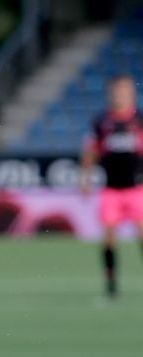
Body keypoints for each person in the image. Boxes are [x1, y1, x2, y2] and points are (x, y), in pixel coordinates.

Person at [80, 73, 143, 300]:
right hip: (111, 189)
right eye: (117, 90)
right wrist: (85, 178)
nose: (120, 94)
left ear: (132, 93)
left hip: (137, 189)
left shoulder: (139, 120)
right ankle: (111, 285)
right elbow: (91, 151)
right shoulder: (102, 122)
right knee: (108, 238)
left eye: (125, 90)